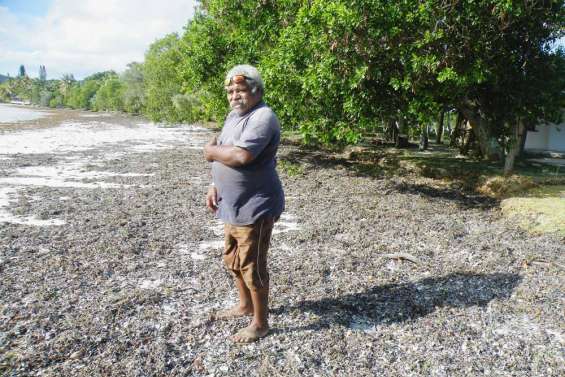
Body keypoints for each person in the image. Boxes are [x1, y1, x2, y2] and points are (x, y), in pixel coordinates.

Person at [204, 64, 285, 343]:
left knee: (253, 266)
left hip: (256, 206)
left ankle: (260, 323)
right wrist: (214, 184)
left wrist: (210, 151)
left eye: (240, 90)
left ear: (257, 91)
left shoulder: (263, 117)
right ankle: (244, 305)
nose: (234, 95)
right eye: (230, 91)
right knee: (233, 260)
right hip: (231, 204)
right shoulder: (233, 116)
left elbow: (240, 157)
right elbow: (225, 149)